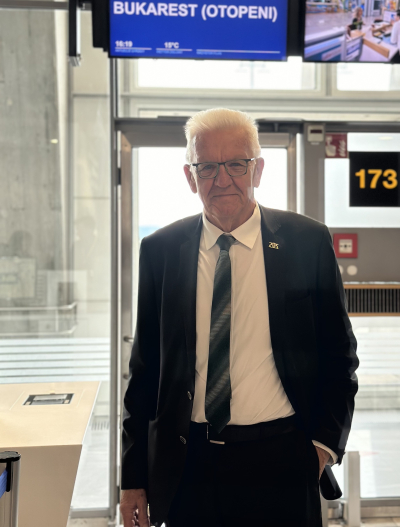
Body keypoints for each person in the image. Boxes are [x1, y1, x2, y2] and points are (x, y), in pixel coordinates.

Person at [120, 108, 359, 527]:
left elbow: (339, 355)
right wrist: (133, 477)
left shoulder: (307, 242)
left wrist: (322, 445)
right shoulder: (160, 250)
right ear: (190, 176)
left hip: (282, 459)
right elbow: (145, 372)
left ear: (258, 170)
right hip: (188, 462)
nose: (222, 179)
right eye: (207, 166)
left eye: (236, 164)